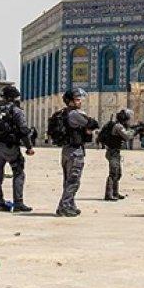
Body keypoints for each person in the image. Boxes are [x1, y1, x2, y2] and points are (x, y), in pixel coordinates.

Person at [0, 85, 35, 212]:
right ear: (14, 98)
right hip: (11, 148)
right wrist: (29, 147)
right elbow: (23, 130)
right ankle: (18, 203)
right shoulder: (16, 111)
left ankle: (0, 203)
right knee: (18, 173)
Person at [51, 87, 98, 217]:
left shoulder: (64, 113)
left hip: (66, 151)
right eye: (77, 100)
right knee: (73, 181)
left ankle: (70, 205)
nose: (80, 102)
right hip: (75, 152)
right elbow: (93, 124)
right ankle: (64, 207)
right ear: (70, 101)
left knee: (68, 180)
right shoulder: (74, 114)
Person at [100, 108, 136, 201]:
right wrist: (135, 130)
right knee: (113, 173)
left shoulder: (117, 125)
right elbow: (127, 136)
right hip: (112, 152)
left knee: (118, 173)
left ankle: (115, 192)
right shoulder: (118, 126)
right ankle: (108, 194)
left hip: (114, 152)